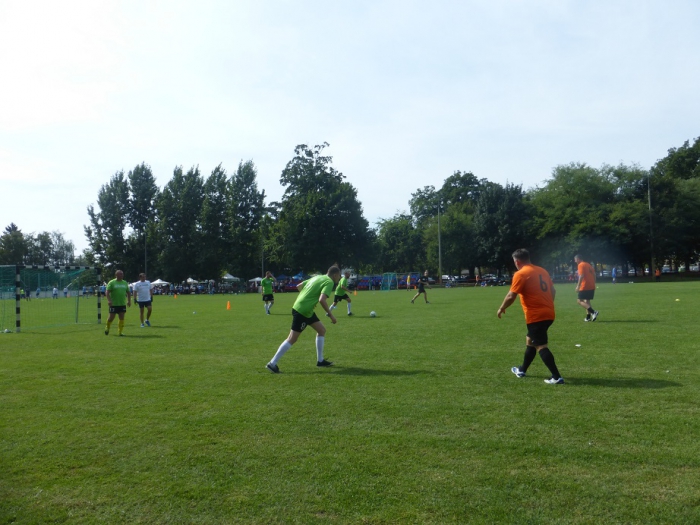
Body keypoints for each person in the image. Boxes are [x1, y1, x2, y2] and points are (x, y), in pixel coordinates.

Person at [497, 248, 564, 385]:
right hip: (549, 312)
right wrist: (546, 304)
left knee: (540, 345)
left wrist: (502, 307)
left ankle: (556, 377)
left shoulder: (521, 274)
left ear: (517, 261)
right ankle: (522, 370)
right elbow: (553, 291)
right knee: (530, 341)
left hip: (536, 315)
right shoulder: (542, 271)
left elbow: (511, 296)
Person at [266, 266, 341, 373]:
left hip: (305, 309)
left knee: (321, 330)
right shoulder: (329, 282)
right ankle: (272, 363)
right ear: (335, 275)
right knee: (292, 338)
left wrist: (307, 298)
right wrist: (331, 315)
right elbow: (322, 300)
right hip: (303, 311)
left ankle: (320, 360)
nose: (339, 278)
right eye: (339, 276)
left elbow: (299, 286)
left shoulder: (317, 277)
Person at [105, 270, 131, 336]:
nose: (122, 275)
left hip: (122, 303)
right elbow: (107, 292)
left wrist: (129, 301)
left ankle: (120, 332)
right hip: (114, 304)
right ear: (116, 275)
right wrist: (109, 300)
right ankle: (107, 327)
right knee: (111, 318)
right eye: (120, 274)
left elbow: (128, 292)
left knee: (121, 318)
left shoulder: (125, 283)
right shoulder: (112, 282)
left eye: (122, 274)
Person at [574, 254, 598, 322]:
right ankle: (588, 317)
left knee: (579, 301)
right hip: (591, 285)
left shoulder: (580, 265)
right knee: (587, 301)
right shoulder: (588, 264)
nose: (575, 261)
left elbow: (581, 276)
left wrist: (578, 286)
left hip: (585, 285)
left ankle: (593, 312)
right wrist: (594, 282)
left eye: (575, 260)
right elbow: (594, 274)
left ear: (578, 259)